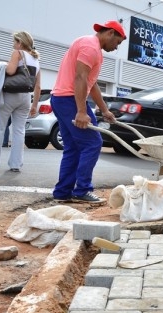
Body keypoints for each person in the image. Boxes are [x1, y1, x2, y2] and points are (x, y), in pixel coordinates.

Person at [51, 20, 125, 205]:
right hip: (69, 100)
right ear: (110, 33)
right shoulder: (91, 48)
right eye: (118, 42)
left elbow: (91, 85)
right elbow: (80, 77)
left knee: (74, 148)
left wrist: (105, 110)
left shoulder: (90, 46)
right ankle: (82, 190)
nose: (116, 48)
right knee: (93, 143)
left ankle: (62, 192)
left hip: (60, 99)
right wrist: (81, 111)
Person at [0, 31, 41, 172]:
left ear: (20, 43)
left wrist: (2, 65)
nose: (13, 44)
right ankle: (15, 164)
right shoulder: (36, 60)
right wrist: (35, 105)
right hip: (25, 98)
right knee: (19, 131)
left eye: (15, 41)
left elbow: (11, 71)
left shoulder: (17, 53)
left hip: (9, 95)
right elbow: (38, 86)